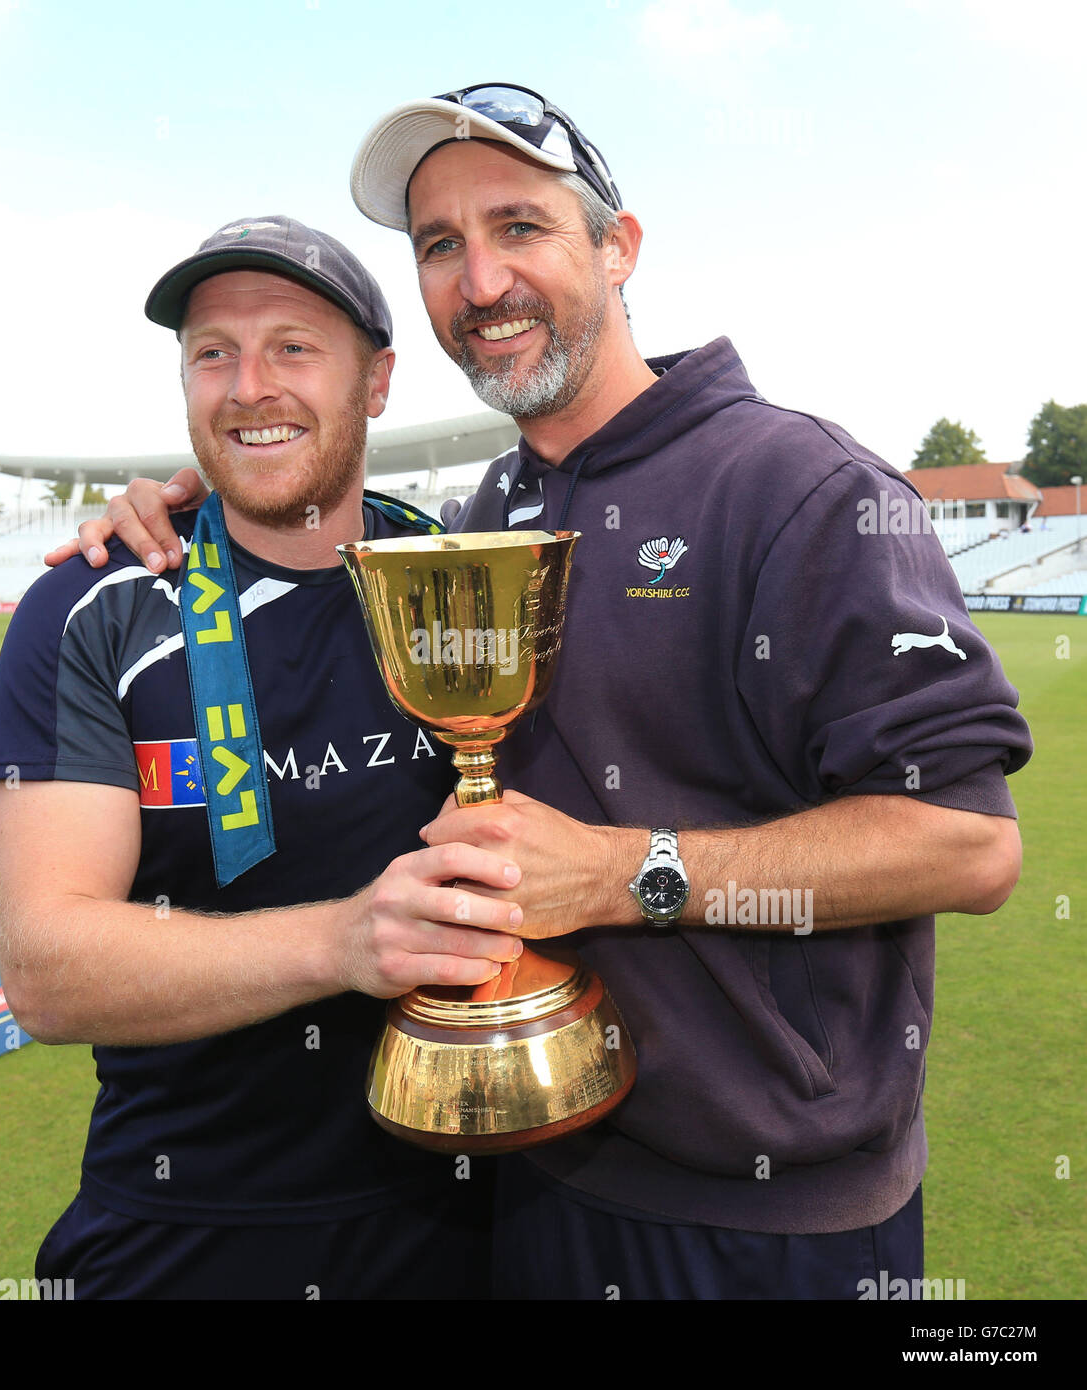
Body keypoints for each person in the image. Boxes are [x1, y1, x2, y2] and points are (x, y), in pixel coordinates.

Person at [55, 87, 1032, 1300]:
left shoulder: (798, 486)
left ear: (617, 249)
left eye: (519, 227)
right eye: (439, 246)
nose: (481, 282)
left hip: (768, 1223)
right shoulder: (480, 518)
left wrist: (627, 872)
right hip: (527, 1186)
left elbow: (967, 844)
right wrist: (207, 504)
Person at [0, 216, 533, 1299]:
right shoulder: (89, 610)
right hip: (186, 1229)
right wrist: (343, 941)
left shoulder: (462, 586)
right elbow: (44, 969)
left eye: (292, 347)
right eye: (212, 353)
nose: (247, 385)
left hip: (477, 1217)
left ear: (376, 382)